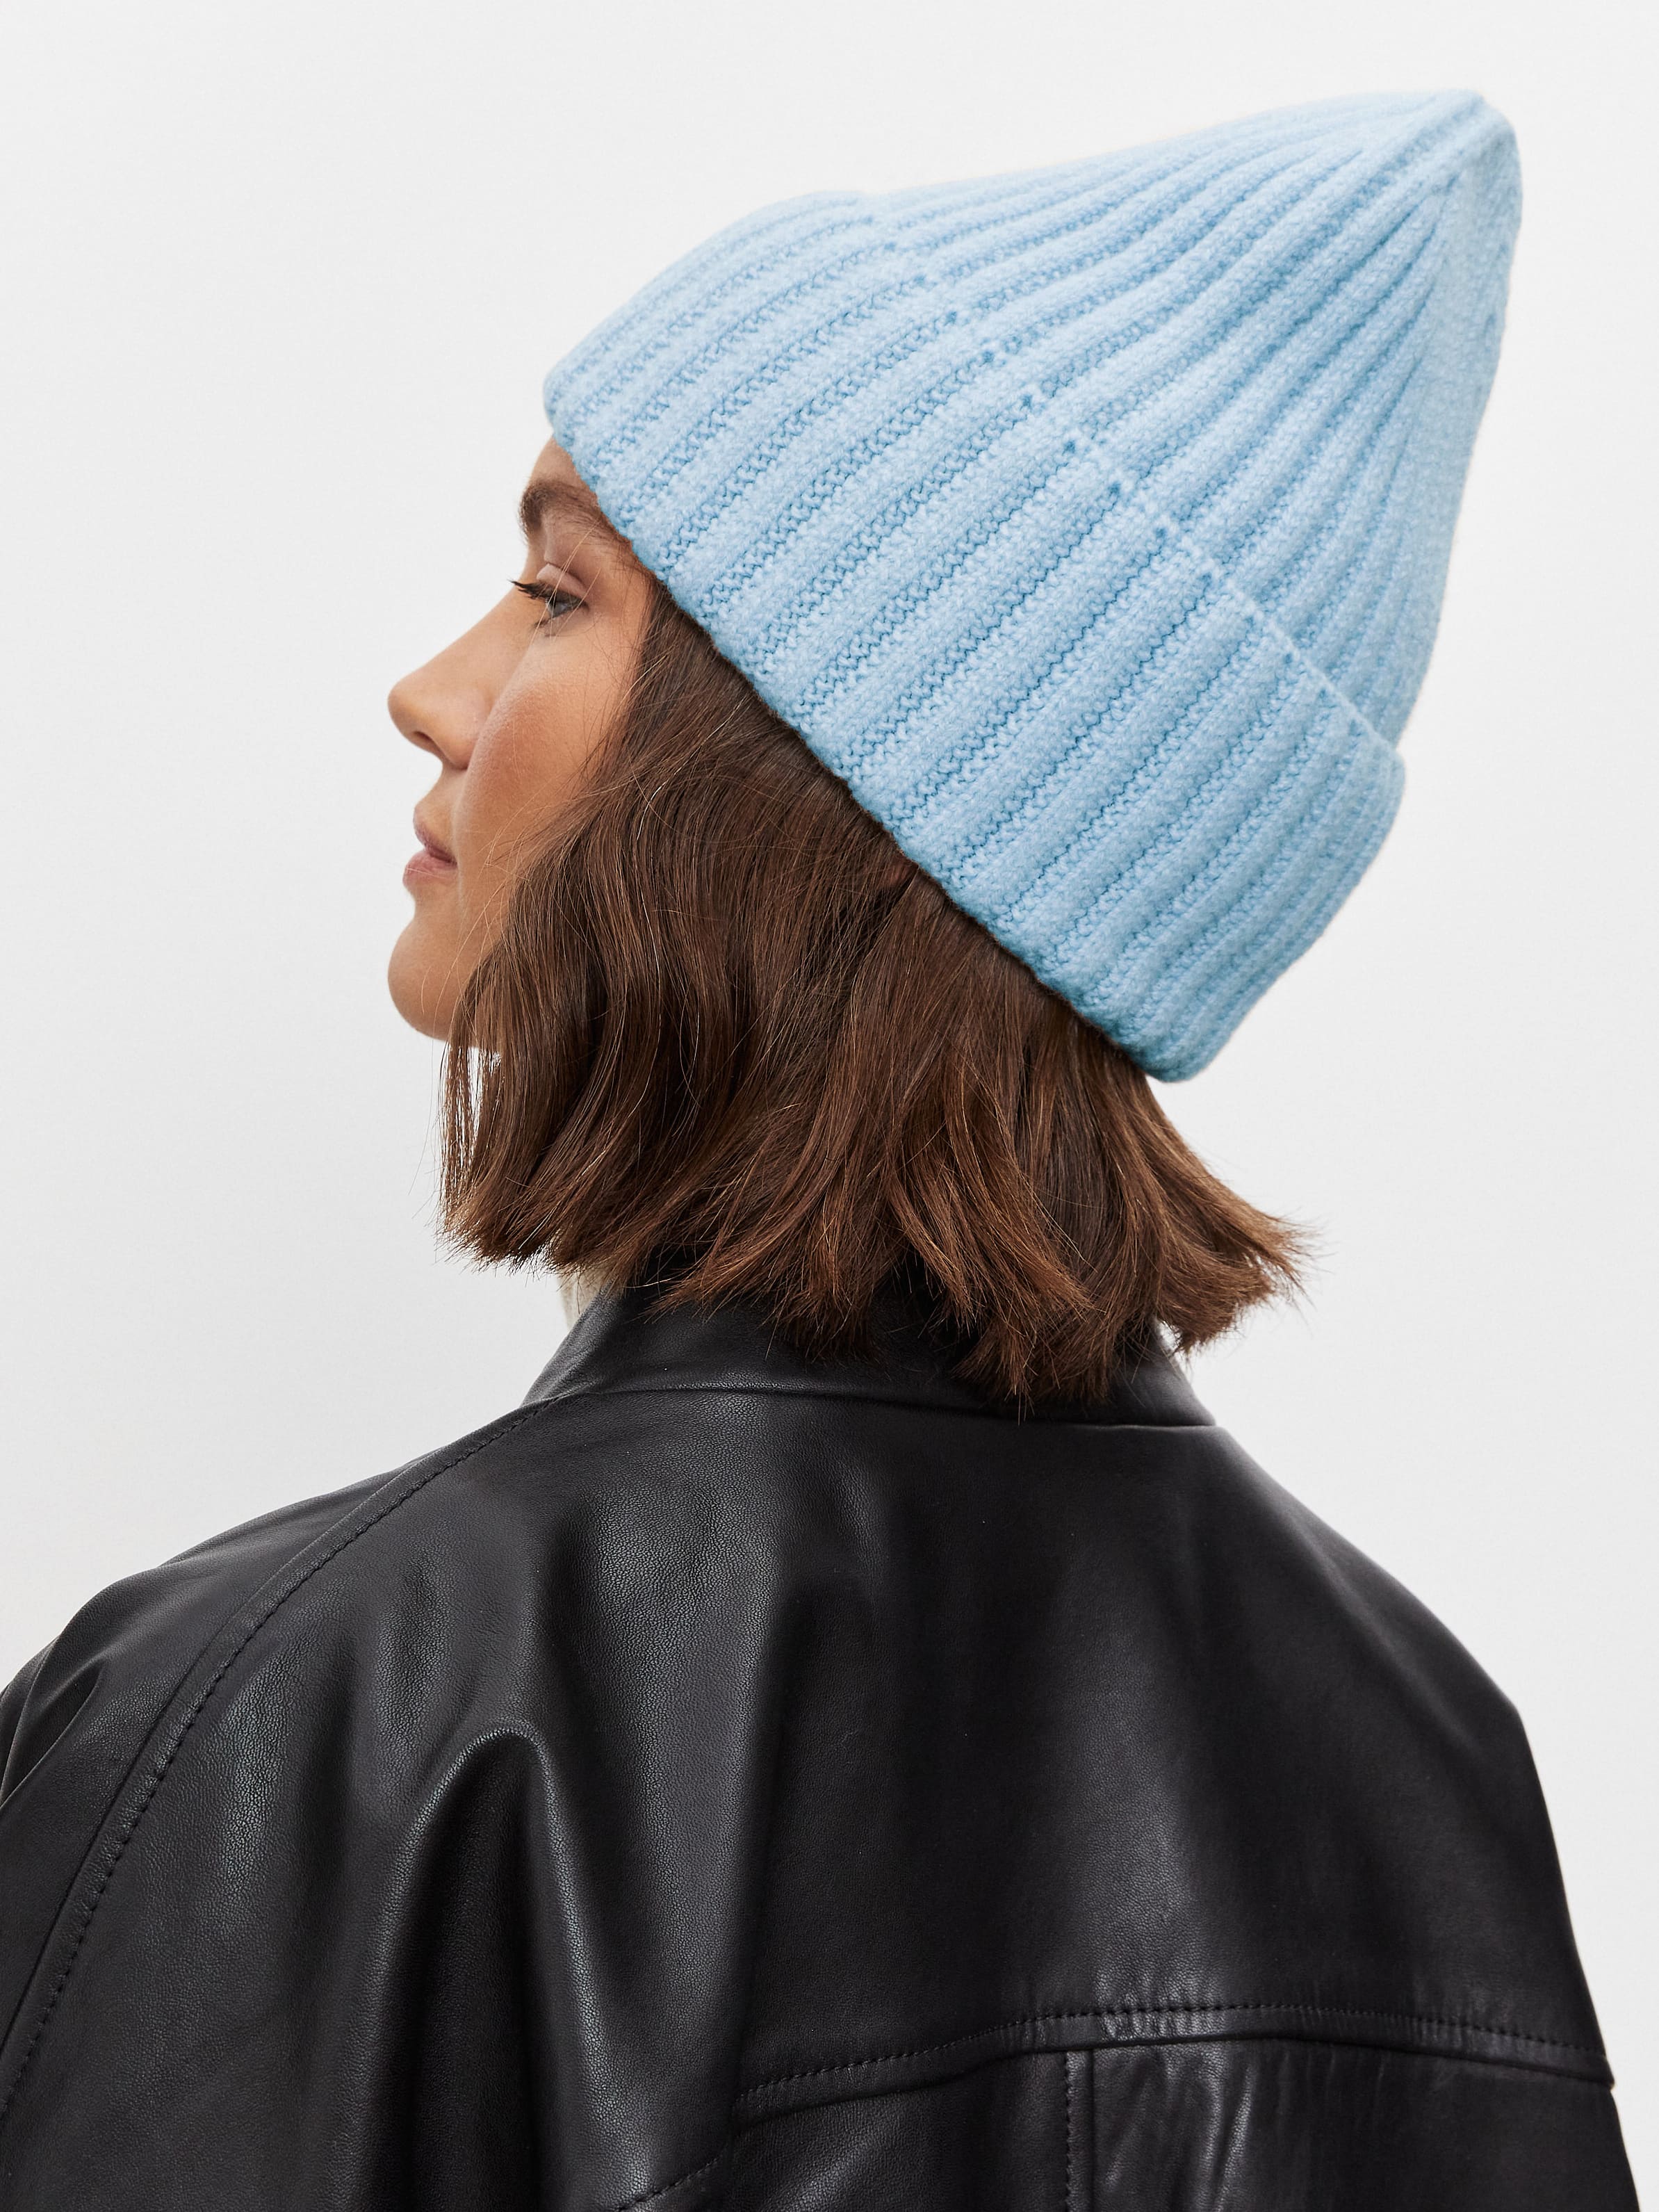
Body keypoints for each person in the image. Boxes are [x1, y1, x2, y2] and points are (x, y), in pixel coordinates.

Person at [0, 88, 1638, 2211]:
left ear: (796, 775)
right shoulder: (1421, 1755)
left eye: (554, 594)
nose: (434, 689)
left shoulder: (299, 1718)